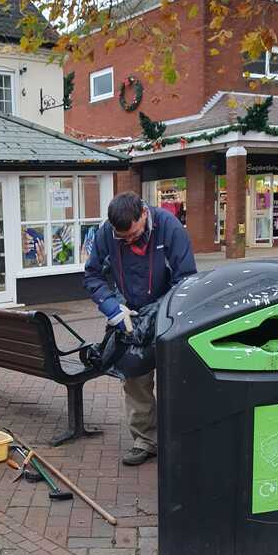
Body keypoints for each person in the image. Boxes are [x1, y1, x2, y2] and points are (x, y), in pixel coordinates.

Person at [84, 192, 196, 466]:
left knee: (176, 381)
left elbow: (186, 280)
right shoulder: (107, 234)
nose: (129, 240)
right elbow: (92, 274)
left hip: (170, 314)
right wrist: (112, 309)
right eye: (123, 238)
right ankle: (146, 440)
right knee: (135, 381)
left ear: (144, 214)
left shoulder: (170, 228)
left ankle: (181, 438)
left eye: (133, 234)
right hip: (129, 316)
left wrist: (158, 312)